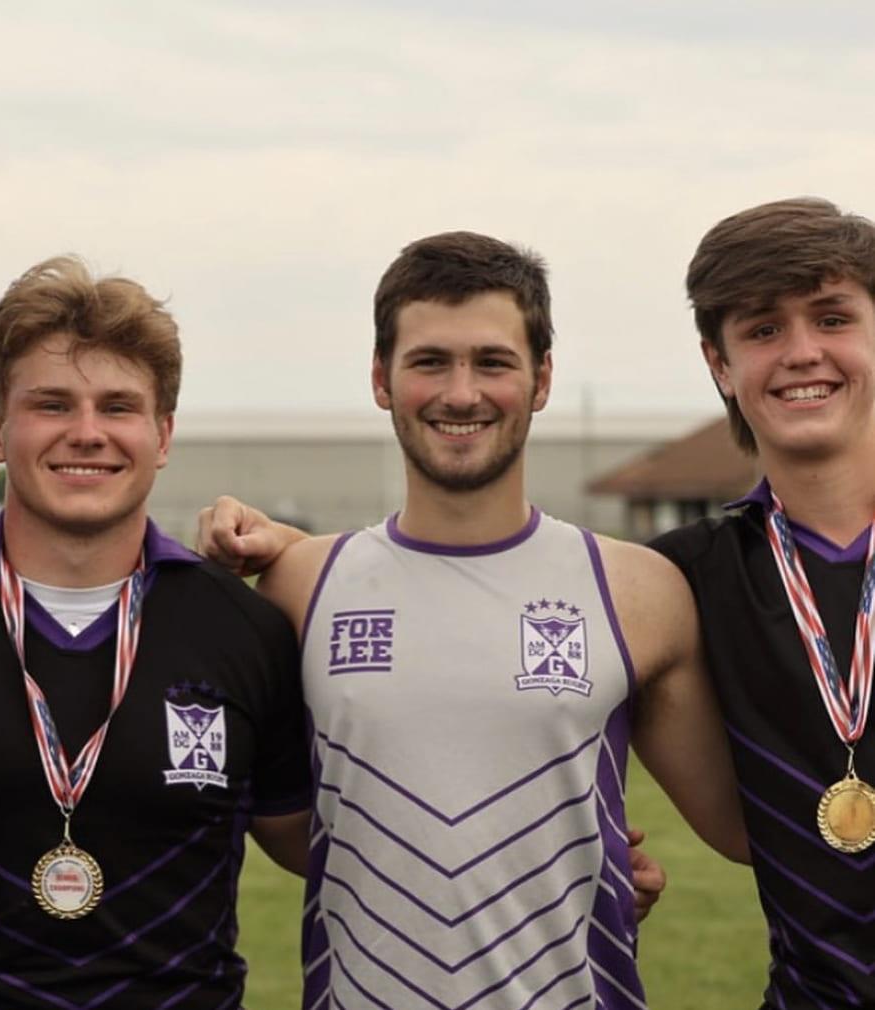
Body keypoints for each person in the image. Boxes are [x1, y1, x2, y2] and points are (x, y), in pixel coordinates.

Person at [197, 231, 749, 1008]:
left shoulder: (637, 589)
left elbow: (745, 829)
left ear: (542, 378)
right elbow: (297, 831)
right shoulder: (300, 582)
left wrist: (581, 864)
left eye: (492, 362)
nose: (462, 393)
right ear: (381, 379)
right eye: (430, 362)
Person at [0, 256, 312, 1009]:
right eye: (52, 404)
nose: (87, 433)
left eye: (118, 407)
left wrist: (316, 563)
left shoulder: (245, 628)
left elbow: (324, 847)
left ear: (162, 435)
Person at [652, 197, 875, 1009]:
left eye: (832, 317)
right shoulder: (672, 583)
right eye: (763, 329)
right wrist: (299, 554)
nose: (802, 353)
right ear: (720, 364)